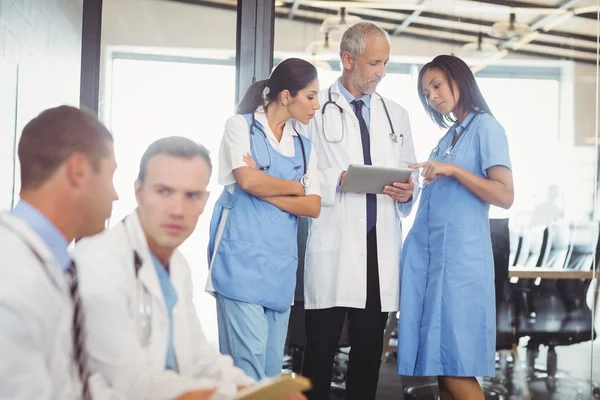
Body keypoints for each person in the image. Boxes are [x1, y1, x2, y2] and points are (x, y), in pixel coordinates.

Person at [73, 137, 306, 400]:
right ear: (138, 192)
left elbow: (198, 357)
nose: (177, 210)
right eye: (163, 192)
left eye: (191, 196)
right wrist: (226, 395)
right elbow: (130, 380)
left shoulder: (176, 265)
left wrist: (259, 391)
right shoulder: (99, 265)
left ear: (205, 201)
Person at [300, 22, 419, 400]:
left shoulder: (395, 114)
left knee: (368, 356)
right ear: (348, 59)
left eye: (385, 63)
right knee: (319, 352)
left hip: (379, 247)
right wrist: (336, 179)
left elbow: (410, 170)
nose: (381, 72)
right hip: (335, 243)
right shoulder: (315, 111)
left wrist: (407, 192)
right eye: (374, 63)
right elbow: (302, 173)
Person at [397, 54, 514, 400]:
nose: (432, 97)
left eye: (437, 85)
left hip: (460, 268)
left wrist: (454, 171)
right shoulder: (449, 138)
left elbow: (505, 195)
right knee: (443, 367)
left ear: (459, 79)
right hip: (434, 264)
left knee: (456, 366)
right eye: (426, 93)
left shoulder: (486, 128)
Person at [206, 57, 321, 382]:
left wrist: (265, 187)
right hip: (240, 264)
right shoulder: (240, 126)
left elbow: (313, 206)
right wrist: (296, 188)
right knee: (248, 375)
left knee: (271, 376)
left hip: (280, 271)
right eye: (311, 96)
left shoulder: (304, 146)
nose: (316, 105)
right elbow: (247, 181)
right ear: (287, 96)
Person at [0, 105, 119, 399]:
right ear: (78, 170)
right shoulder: (11, 279)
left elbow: (67, 384)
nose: (115, 194)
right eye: (110, 174)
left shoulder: (54, 266)